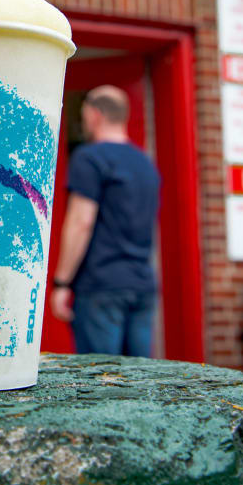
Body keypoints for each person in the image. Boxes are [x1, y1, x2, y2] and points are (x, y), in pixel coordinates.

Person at [50, 85, 161, 357]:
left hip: (101, 287)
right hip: (142, 285)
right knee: (138, 380)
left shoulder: (90, 158)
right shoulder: (145, 163)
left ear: (95, 114)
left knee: (100, 379)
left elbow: (81, 222)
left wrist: (62, 283)